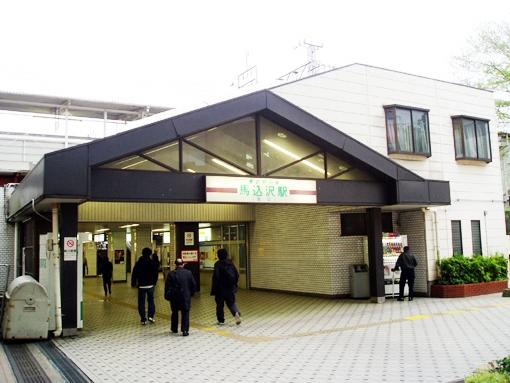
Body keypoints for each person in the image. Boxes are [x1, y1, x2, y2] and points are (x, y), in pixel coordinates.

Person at [164, 258, 196, 336]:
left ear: (175, 264)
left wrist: (167, 296)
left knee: (174, 312)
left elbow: (167, 287)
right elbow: (193, 285)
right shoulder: (188, 273)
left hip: (174, 297)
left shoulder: (171, 274)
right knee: (185, 313)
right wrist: (190, 294)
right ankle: (185, 330)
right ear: (183, 264)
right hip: (185, 297)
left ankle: (174, 328)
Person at [211, 248, 242, 325]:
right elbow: (237, 274)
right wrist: (234, 285)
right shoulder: (230, 263)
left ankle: (221, 321)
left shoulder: (217, 264)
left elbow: (216, 277)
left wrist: (214, 288)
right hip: (230, 288)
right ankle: (236, 313)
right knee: (231, 303)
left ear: (218, 255)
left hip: (220, 289)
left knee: (220, 305)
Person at [131, 247, 159, 325]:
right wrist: (154, 282)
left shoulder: (138, 263)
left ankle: (143, 319)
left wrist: (133, 283)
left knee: (141, 302)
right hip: (150, 285)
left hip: (141, 286)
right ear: (150, 254)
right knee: (151, 301)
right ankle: (151, 316)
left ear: (142, 253)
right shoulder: (152, 262)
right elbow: (155, 273)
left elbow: (134, 274)